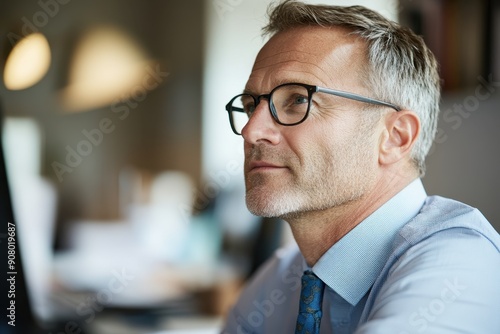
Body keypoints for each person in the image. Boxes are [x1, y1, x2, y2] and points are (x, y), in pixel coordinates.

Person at [221, 1, 500, 333]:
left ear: (395, 137)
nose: (252, 130)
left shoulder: (460, 267)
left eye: (297, 99)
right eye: (252, 105)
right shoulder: (282, 278)